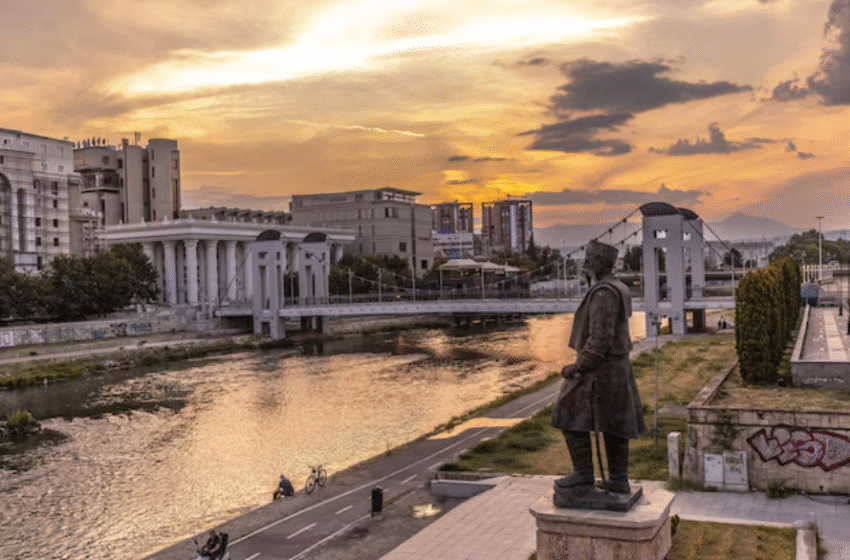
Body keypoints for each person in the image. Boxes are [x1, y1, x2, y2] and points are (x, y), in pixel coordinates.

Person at [551, 239, 645, 495]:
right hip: (616, 368)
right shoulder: (618, 287)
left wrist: (577, 367)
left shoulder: (604, 292)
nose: (585, 264)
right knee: (615, 425)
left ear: (601, 263)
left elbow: (599, 339)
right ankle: (618, 479)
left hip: (602, 370)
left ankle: (583, 476)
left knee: (566, 412)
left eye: (589, 259)